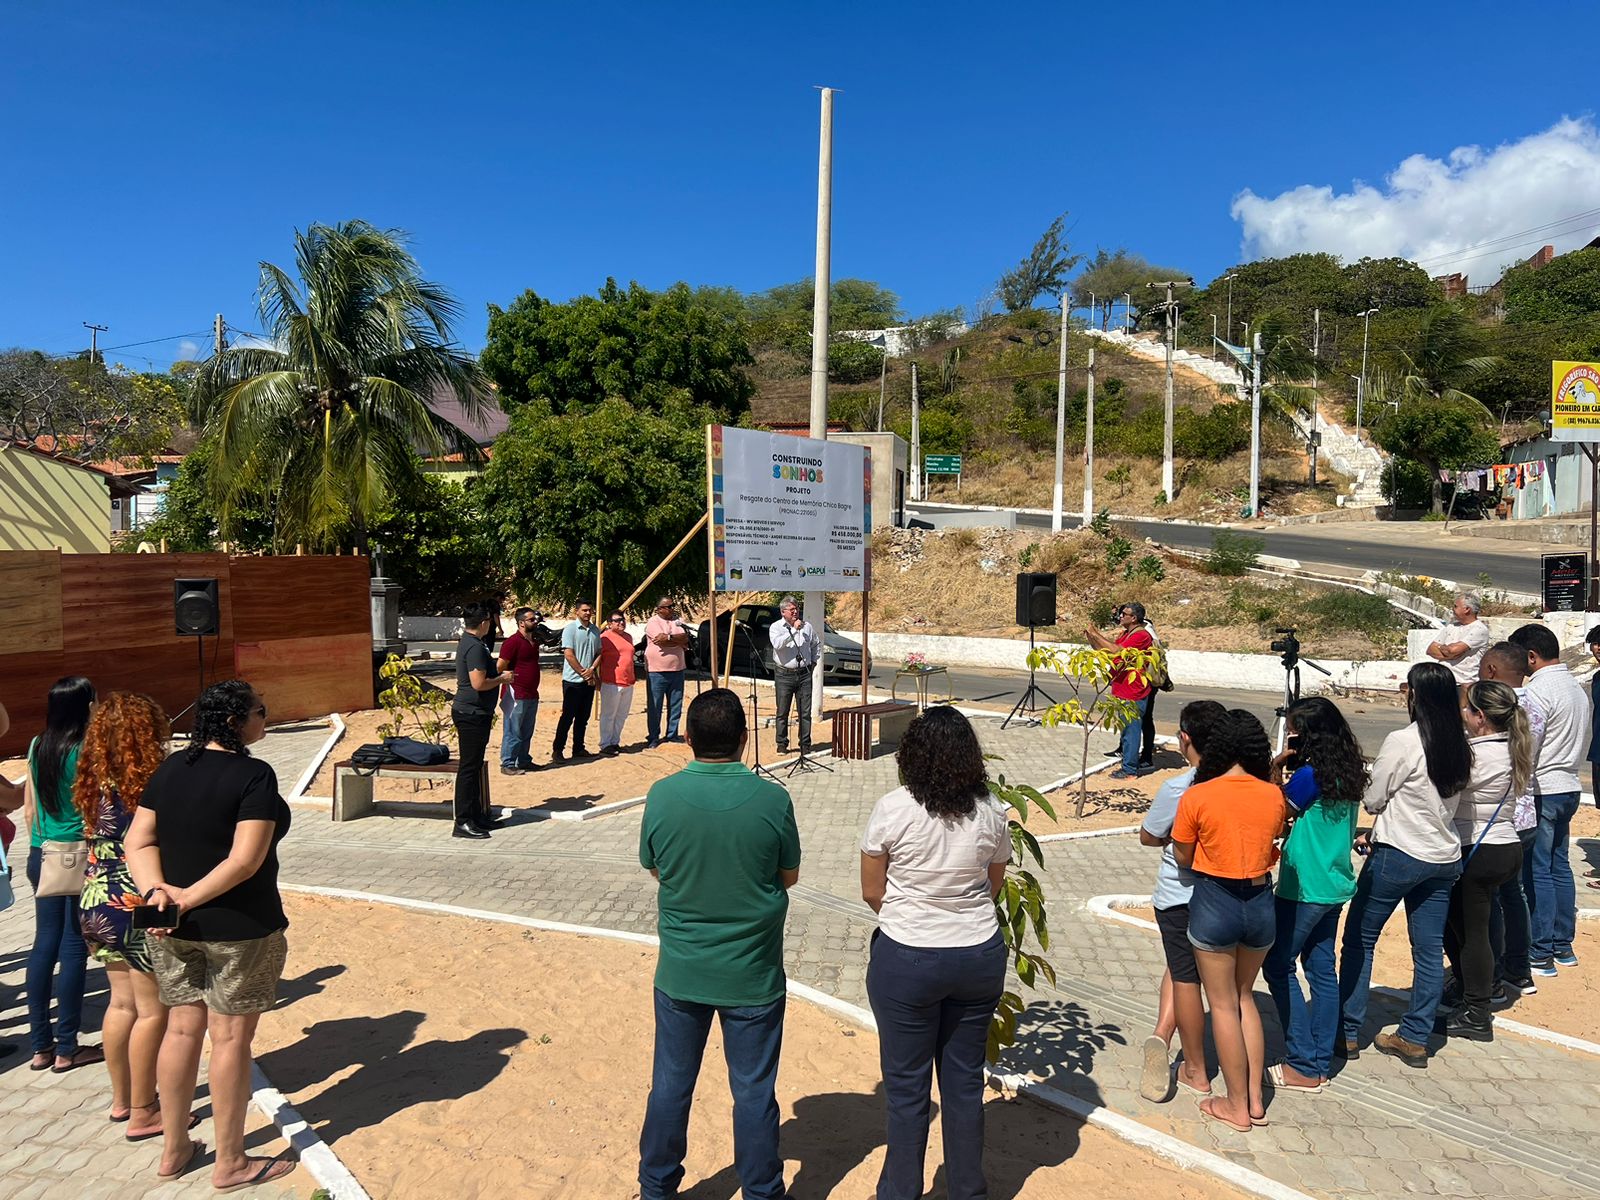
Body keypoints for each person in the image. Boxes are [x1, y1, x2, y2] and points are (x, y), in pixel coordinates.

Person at [125, 680, 294, 1190]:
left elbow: (138, 840)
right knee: (230, 1041)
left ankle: (174, 1147)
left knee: (180, 1030)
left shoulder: (172, 767)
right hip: (239, 927)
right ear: (236, 722)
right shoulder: (254, 776)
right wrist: (184, 897)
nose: (265, 718)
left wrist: (160, 893)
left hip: (173, 927)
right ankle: (231, 1161)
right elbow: (244, 861)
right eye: (260, 711)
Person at [637, 688, 801, 1200]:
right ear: (744, 739)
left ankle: (657, 1187)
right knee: (753, 1091)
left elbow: (656, 866)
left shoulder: (662, 795)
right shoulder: (772, 799)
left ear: (687, 738)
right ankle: (762, 1190)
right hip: (752, 973)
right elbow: (788, 875)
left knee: (670, 1083)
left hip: (682, 971)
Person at [860, 707, 1011, 1198]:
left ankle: (901, 1191)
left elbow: (871, 890)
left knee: (906, 1090)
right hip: (977, 954)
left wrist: (913, 915)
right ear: (970, 758)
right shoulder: (990, 811)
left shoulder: (893, 808)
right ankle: (968, 1190)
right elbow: (993, 884)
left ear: (911, 755)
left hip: (908, 956)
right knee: (964, 1084)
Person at [1338, 662, 1470, 1069]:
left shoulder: (1404, 740)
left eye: (1406, 688)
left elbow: (1374, 799)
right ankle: (1414, 1037)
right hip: (1443, 856)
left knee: (1361, 938)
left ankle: (1345, 1032)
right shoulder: (1460, 742)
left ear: (1416, 694)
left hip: (1398, 854)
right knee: (1429, 951)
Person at [1169, 709, 1283, 1132]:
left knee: (1221, 1006)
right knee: (1245, 998)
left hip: (1215, 898)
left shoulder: (1199, 795)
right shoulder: (1272, 793)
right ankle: (1254, 1100)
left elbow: (1182, 854)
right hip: (1259, 899)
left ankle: (1234, 1106)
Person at [73, 692, 180, 1135]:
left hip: (95, 896)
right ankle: (144, 1111)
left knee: (120, 1005)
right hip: (139, 897)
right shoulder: (153, 778)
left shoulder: (92, 777)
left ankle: (121, 1101)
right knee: (153, 1012)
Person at [1262, 697, 1367, 1092]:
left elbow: (1278, 812)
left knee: (1278, 966)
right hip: (1334, 882)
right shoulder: (1348, 770)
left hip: (1303, 885)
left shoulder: (1309, 776)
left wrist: (1275, 766)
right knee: (1322, 970)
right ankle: (1321, 1059)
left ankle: (1304, 1063)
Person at [1138, 699, 1227, 1103]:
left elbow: (1149, 835)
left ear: (1186, 738)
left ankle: (1190, 1063)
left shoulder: (1178, 788)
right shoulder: (1240, 782)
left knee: (1188, 977)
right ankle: (1162, 1035)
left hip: (1178, 893)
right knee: (1181, 967)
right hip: (1224, 894)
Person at [1441, 681, 1533, 1042]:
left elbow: (1447, 789)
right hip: (1504, 844)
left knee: (1473, 934)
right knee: (1462, 926)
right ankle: (1468, 989)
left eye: (1467, 710)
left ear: (1480, 717)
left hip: (1479, 847)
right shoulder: (1513, 746)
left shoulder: (1477, 754)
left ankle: (1477, 1012)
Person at [24, 675, 99, 1073]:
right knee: (73, 949)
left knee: (43, 946)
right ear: (85, 705)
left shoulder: (38, 744)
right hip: (76, 855)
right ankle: (67, 1046)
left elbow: (32, 802)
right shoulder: (87, 748)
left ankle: (40, 1046)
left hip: (42, 852)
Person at [1508, 623, 1589, 975]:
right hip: (1569, 784)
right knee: (1559, 866)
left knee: (1536, 871)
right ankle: (1562, 945)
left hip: (1544, 788)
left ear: (1531, 656)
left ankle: (1540, 952)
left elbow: (1529, 746)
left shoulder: (1537, 693)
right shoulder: (1575, 687)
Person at [1478, 642, 1545, 998]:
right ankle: (1519, 968)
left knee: (1487, 904)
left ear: (1490, 670)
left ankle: (1490, 974)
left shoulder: (1493, 703)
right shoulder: (1535, 703)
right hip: (1525, 808)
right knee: (1514, 895)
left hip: (1495, 817)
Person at [452, 603, 513, 840]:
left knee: (475, 766)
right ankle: (463, 821)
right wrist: (502, 678)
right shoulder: (475, 647)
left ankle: (476, 815)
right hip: (471, 714)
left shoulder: (472, 643)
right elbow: (478, 683)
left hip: (476, 713)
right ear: (485, 622)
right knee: (468, 768)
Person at [1084, 602, 1155, 780]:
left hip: (1133, 690)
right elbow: (1105, 651)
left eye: (1125, 614)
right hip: (1121, 687)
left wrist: (1096, 634)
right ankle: (1128, 762)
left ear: (1134, 618)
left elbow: (1117, 651)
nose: (1121, 616)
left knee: (1131, 730)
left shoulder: (1141, 636)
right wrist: (1091, 637)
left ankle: (1130, 769)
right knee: (1125, 728)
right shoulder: (1126, 634)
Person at [768, 596, 818, 756]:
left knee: (805, 712)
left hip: (804, 675)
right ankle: (782, 744)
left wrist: (813, 662)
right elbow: (777, 645)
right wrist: (794, 631)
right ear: (783, 612)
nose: (796, 611)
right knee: (782, 711)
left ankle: (805, 744)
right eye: (792, 609)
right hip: (784, 675)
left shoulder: (807, 627)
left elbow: (815, 644)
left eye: (797, 608)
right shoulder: (776, 627)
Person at [497, 607, 543, 775]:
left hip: (531, 693)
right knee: (512, 730)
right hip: (516, 693)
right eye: (531, 619)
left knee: (526, 730)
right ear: (521, 623)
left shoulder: (533, 642)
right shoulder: (512, 642)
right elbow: (500, 666)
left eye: (535, 619)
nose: (535, 622)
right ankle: (508, 762)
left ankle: (523, 760)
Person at [553, 602, 600, 762]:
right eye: (584, 610)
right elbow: (569, 654)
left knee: (583, 717)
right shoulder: (570, 629)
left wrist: (592, 669)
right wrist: (583, 672)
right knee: (567, 716)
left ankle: (578, 748)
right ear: (577, 611)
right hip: (572, 681)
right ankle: (558, 750)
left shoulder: (595, 630)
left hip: (589, 680)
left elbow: (599, 652)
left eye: (590, 610)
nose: (588, 613)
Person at [644, 598, 690, 748]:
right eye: (668, 606)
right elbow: (660, 641)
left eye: (673, 606)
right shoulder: (653, 622)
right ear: (659, 609)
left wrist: (670, 637)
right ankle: (653, 737)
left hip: (677, 670)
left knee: (676, 704)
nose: (672, 609)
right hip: (657, 672)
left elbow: (686, 637)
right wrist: (677, 641)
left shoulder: (678, 621)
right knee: (655, 706)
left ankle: (672, 734)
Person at [1426, 592, 1492, 686]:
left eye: (1456, 606)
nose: (1453, 609)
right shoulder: (1452, 626)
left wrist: (1443, 648)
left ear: (1466, 609)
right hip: (1443, 679)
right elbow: (1430, 650)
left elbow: (1453, 650)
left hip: (1463, 683)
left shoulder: (1479, 629)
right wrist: (1449, 652)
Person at [598, 610, 637, 755]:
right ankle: (605, 743)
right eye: (617, 620)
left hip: (628, 681)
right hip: (611, 681)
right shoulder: (604, 638)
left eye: (623, 619)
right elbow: (597, 659)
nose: (621, 622)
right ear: (609, 624)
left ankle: (615, 741)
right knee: (608, 714)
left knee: (622, 714)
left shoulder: (628, 637)